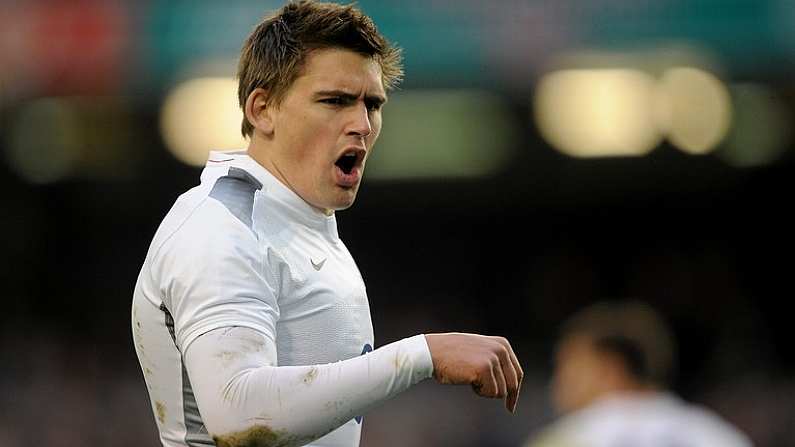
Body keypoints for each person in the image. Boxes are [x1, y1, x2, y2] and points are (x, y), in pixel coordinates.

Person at [131, 2, 523, 446]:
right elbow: (237, 412)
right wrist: (422, 354)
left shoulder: (301, 222)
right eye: (334, 101)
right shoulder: (221, 229)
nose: (361, 124)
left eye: (372, 104)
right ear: (263, 109)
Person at [523, 301, 752, 447]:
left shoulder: (565, 438)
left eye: (566, 367)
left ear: (608, 368)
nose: (556, 382)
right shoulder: (717, 435)